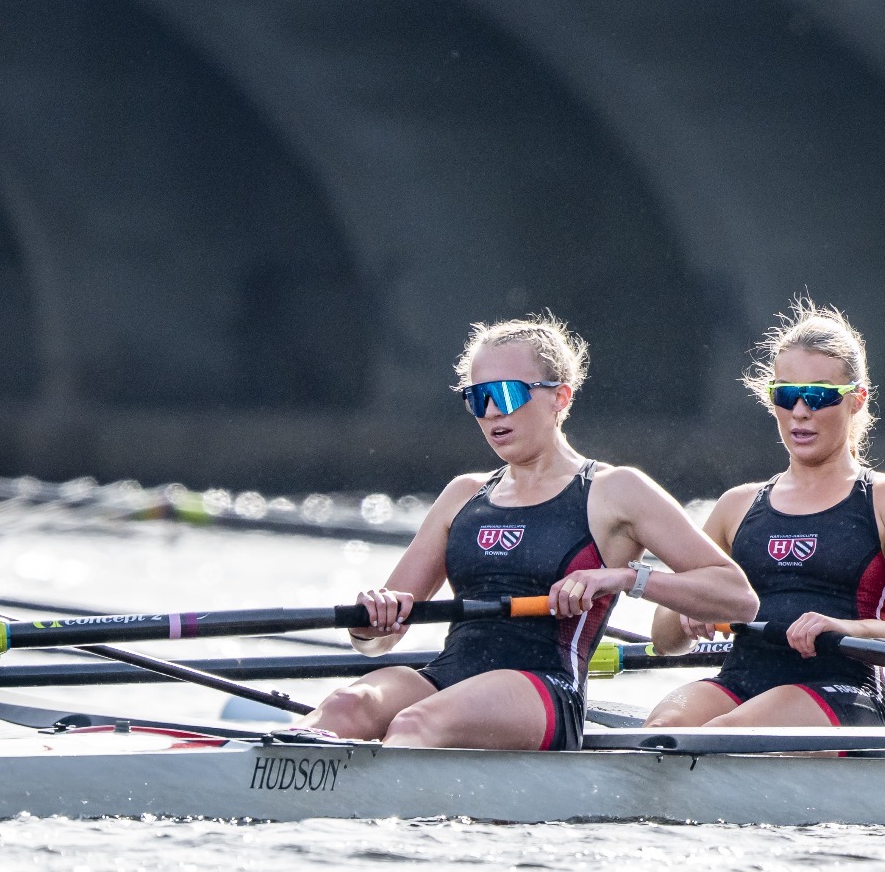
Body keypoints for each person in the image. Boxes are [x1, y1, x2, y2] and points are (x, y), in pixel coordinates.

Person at [305, 315, 757, 750]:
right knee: (347, 706)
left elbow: (737, 597)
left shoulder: (616, 490)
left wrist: (625, 579)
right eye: (478, 398)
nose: (493, 412)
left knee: (416, 721)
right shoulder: (462, 495)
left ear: (560, 397)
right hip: (449, 676)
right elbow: (380, 641)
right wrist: (373, 620)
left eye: (506, 393)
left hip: (544, 689)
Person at [645, 301, 885, 728]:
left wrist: (846, 628)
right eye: (786, 394)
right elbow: (663, 640)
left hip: (841, 689)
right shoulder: (737, 506)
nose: (800, 412)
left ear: (856, 400)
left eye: (820, 395)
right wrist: (684, 613)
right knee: (663, 730)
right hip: (741, 680)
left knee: (718, 737)